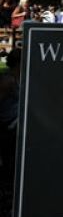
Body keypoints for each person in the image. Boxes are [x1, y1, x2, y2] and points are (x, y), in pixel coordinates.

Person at [0, 48, 21, 181]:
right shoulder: (8, 80)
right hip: (7, 127)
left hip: (16, 126)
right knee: (9, 161)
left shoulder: (21, 77)